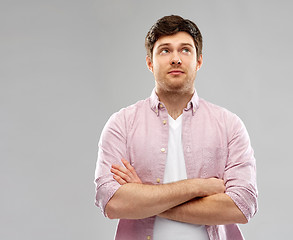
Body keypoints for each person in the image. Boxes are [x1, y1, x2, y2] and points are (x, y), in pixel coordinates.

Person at [94, 15, 258, 240]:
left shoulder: (229, 125)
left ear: (199, 61)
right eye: (164, 50)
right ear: (149, 63)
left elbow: (242, 206)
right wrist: (199, 187)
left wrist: (144, 199)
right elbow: (112, 202)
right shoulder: (121, 124)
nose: (175, 59)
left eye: (185, 50)